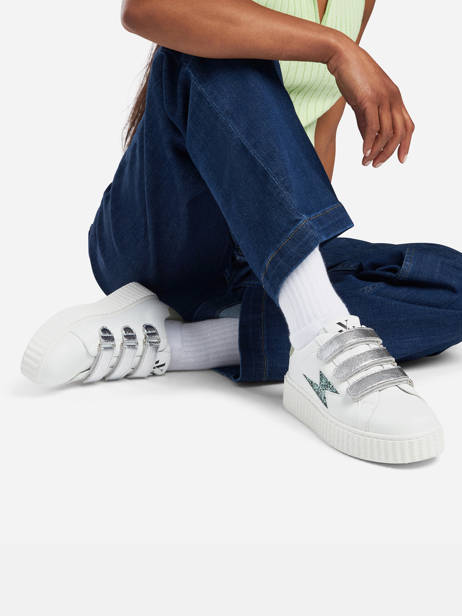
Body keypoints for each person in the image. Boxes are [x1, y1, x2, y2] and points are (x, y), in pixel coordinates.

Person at [21, 0, 462, 464]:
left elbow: (322, 130)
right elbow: (146, 9)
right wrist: (336, 48)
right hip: (163, 230)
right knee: (230, 51)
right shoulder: (330, 44)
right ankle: (319, 333)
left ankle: (179, 343)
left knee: (450, 283)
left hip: (254, 247)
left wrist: (288, 249)